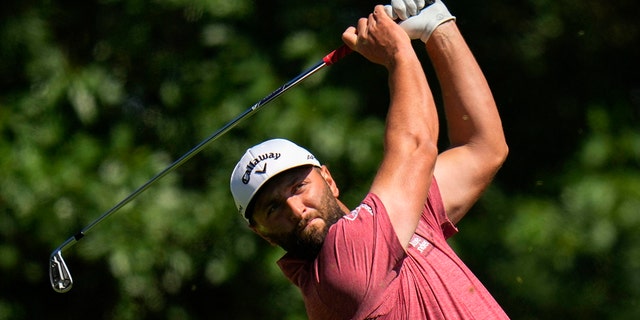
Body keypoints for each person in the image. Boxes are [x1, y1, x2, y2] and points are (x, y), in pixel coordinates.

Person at [230, 1, 509, 318]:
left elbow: (482, 147)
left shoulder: (394, 222)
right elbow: (416, 146)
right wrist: (397, 54)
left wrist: (438, 27)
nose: (295, 209)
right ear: (261, 233)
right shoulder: (339, 271)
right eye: (273, 207)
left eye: (298, 187)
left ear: (329, 180)